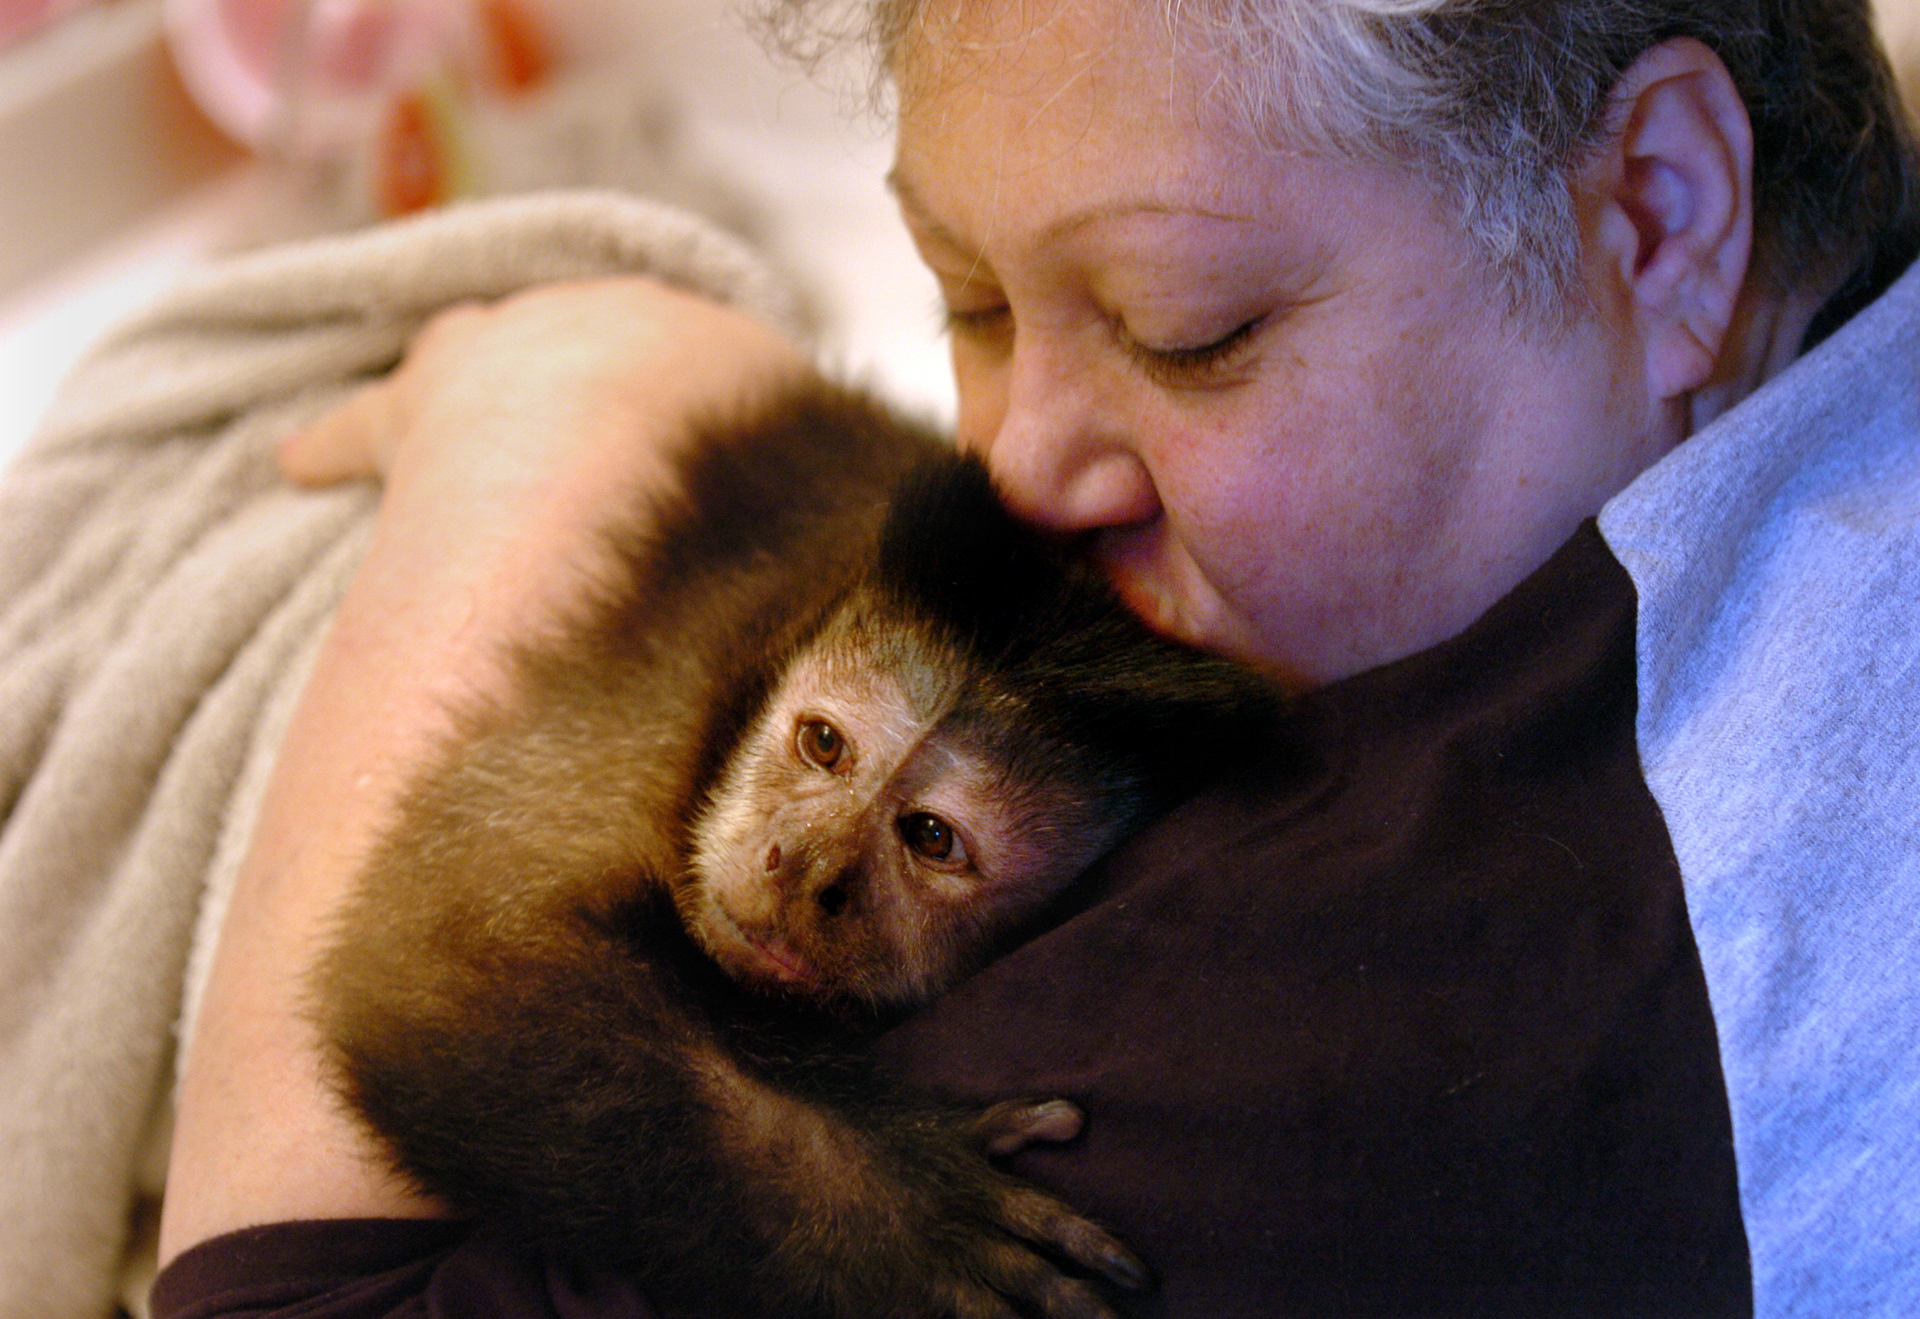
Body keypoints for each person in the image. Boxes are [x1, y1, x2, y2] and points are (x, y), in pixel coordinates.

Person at [150, 0, 1920, 1314]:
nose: (1016, 470)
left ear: (1667, 211)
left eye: (1190, 330)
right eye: (971, 296)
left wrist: (548, 419)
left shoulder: (1361, 1037)